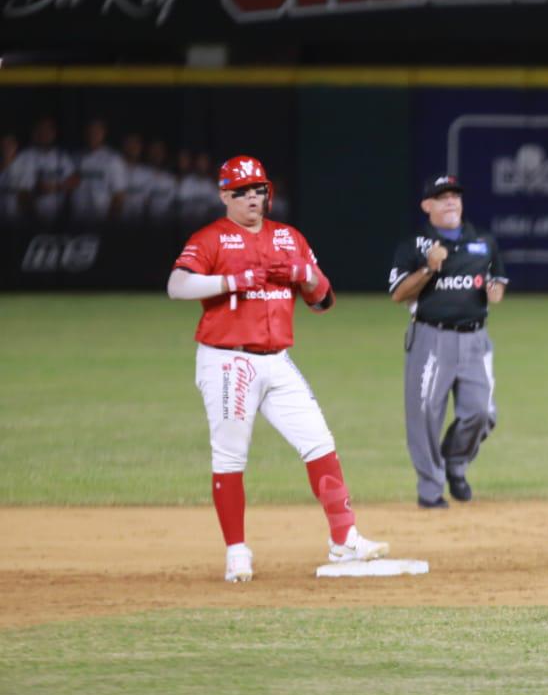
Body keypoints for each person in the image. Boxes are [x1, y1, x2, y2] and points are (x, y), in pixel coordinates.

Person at [166, 155, 388, 583]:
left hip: (278, 360)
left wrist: (305, 274)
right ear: (224, 196)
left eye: (259, 189)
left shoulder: (288, 237)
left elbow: (323, 301)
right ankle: (237, 552)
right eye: (242, 191)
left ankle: (345, 540)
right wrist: (229, 282)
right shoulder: (211, 237)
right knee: (231, 454)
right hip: (228, 359)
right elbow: (177, 285)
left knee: (319, 442)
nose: (253, 197)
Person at [388, 174, 508, 509]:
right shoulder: (414, 244)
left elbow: (497, 284)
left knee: (482, 412)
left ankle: (455, 462)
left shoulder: (482, 240)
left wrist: (494, 290)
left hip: (474, 338)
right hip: (431, 336)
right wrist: (429, 269)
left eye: (455, 195)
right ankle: (430, 491)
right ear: (427, 206)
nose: (451, 201)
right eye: (442, 197)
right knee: (425, 414)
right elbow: (398, 294)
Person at [11, 117, 75, 225]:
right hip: (29, 219)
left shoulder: (61, 156)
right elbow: (16, 190)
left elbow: (75, 180)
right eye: (41, 130)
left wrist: (56, 187)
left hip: (59, 219)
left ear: (54, 134)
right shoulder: (24, 156)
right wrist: (35, 193)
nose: (44, 134)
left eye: (48, 131)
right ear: (35, 133)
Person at [69, 119, 129, 225]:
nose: (93, 135)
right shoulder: (75, 157)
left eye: (97, 132)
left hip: (102, 221)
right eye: (90, 132)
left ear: (103, 133)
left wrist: (111, 223)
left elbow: (119, 195)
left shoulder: (113, 159)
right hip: (77, 220)